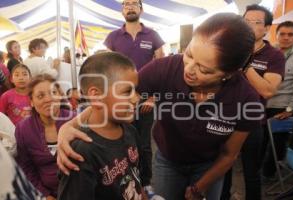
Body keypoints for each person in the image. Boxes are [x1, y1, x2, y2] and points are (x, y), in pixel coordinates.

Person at [56, 13, 263, 200]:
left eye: (204, 70)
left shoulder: (246, 101)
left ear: (229, 73)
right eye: (189, 55)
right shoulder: (164, 69)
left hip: (210, 166)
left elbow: (229, 155)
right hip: (168, 161)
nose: (189, 70)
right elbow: (112, 97)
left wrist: (200, 187)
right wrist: (70, 126)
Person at [57, 52, 146, 200]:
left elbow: (136, 180)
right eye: (127, 91)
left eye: (135, 90)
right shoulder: (81, 151)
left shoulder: (130, 130)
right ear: (97, 96)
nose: (136, 98)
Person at [221, 5, 285, 200]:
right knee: (222, 168)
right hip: (224, 117)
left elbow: (267, 90)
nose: (249, 26)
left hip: (252, 121)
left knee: (251, 172)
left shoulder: (274, 55)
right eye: (246, 21)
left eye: (257, 22)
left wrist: (244, 65)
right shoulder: (228, 48)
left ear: (266, 28)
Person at [104, 0, 165, 190]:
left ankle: (145, 183)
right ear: (122, 10)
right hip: (121, 100)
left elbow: (162, 67)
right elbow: (107, 68)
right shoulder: (113, 37)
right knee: (122, 143)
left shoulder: (153, 35)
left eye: (134, 3)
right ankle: (127, 182)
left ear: (141, 9)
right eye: (126, 4)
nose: (130, 6)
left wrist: (153, 98)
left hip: (146, 100)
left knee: (144, 144)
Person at [15, 74, 75, 200]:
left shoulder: (75, 120)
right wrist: (45, 195)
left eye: (53, 93)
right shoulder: (23, 129)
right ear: (31, 102)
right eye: (40, 96)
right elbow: (26, 168)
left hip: (79, 189)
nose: (48, 99)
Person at [263, 21, 293, 179]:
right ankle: (258, 169)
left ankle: (269, 174)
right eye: (282, 34)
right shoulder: (270, 51)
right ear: (276, 34)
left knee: (276, 143)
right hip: (263, 102)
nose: (286, 37)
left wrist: (290, 109)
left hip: (283, 106)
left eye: (290, 34)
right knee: (261, 139)